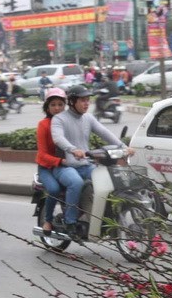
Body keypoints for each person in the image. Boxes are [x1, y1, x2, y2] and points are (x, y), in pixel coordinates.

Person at [51, 85, 133, 238]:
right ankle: (70, 221)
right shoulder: (59, 119)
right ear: (72, 101)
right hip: (65, 166)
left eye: (88, 100)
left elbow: (104, 132)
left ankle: (99, 218)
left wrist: (124, 147)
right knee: (76, 183)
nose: (87, 103)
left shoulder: (88, 118)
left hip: (85, 164)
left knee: (107, 180)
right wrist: (72, 149)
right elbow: (58, 138)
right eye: (83, 100)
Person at [35, 87, 69, 235]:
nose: (57, 108)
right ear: (47, 107)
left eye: (60, 105)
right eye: (53, 105)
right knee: (54, 189)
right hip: (46, 168)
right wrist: (60, 161)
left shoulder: (69, 122)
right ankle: (48, 220)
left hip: (67, 165)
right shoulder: (43, 125)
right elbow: (42, 155)